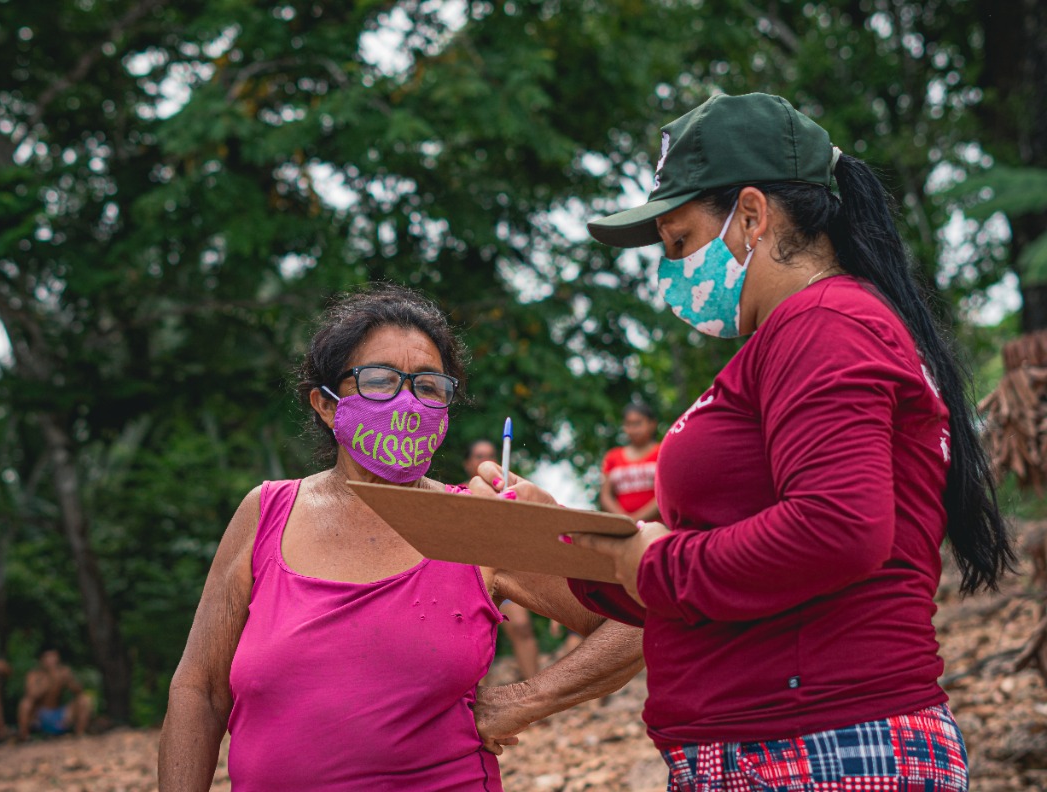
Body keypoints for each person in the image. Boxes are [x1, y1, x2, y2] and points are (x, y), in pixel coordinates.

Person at [469, 93, 1015, 790]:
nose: (669, 271)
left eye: (679, 242)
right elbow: (706, 581)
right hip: (784, 752)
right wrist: (555, 534)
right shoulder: (800, 336)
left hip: (819, 753)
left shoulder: (825, 322)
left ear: (753, 216)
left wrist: (658, 558)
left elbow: (839, 527)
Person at [159, 284, 645, 791]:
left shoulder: (476, 522)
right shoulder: (266, 512)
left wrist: (527, 698)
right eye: (380, 380)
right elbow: (199, 690)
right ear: (325, 406)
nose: (408, 402)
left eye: (429, 385)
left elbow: (641, 614)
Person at [463, 439, 541, 683]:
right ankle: (471, 703)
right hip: (470, 576)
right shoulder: (457, 493)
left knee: (521, 627)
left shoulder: (512, 494)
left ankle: (535, 697)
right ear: (467, 463)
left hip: (505, 572)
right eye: (479, 456)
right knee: (470, 637)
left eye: (491, 455)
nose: (485, 460)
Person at [598, 403, 661, 521]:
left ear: (652, 424)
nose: (633, 429)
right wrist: (625, 519)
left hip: (657, 527)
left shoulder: (662, 452)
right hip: (623, 529)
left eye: (638, 423)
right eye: (628, 424)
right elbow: (605, 495)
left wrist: (637, 518)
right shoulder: (612, 456)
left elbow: (667, 494)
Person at [17, 645, 92, 740]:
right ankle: (24, 736)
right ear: (41, 660)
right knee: (25, 704)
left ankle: (79, 734)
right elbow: (31, 695)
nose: (51, 661)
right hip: (40, 717)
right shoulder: (34, 675)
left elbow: (79, 691)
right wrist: (48, 680)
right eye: (48, 657)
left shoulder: (64, 671)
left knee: (84, 700)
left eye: (54, 657)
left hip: (60, 715)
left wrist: (69, 680)